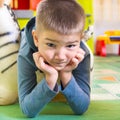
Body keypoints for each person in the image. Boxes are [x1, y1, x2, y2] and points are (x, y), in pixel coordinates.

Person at [18, 0, 93, 118]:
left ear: (80, 39)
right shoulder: (26, 53)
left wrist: (66, 74)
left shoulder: (82, 52)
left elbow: (81, 107)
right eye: (51, 45)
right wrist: (50, 79)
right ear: (36, 39)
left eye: (70, 45)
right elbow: (27, 109)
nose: (61, 56)